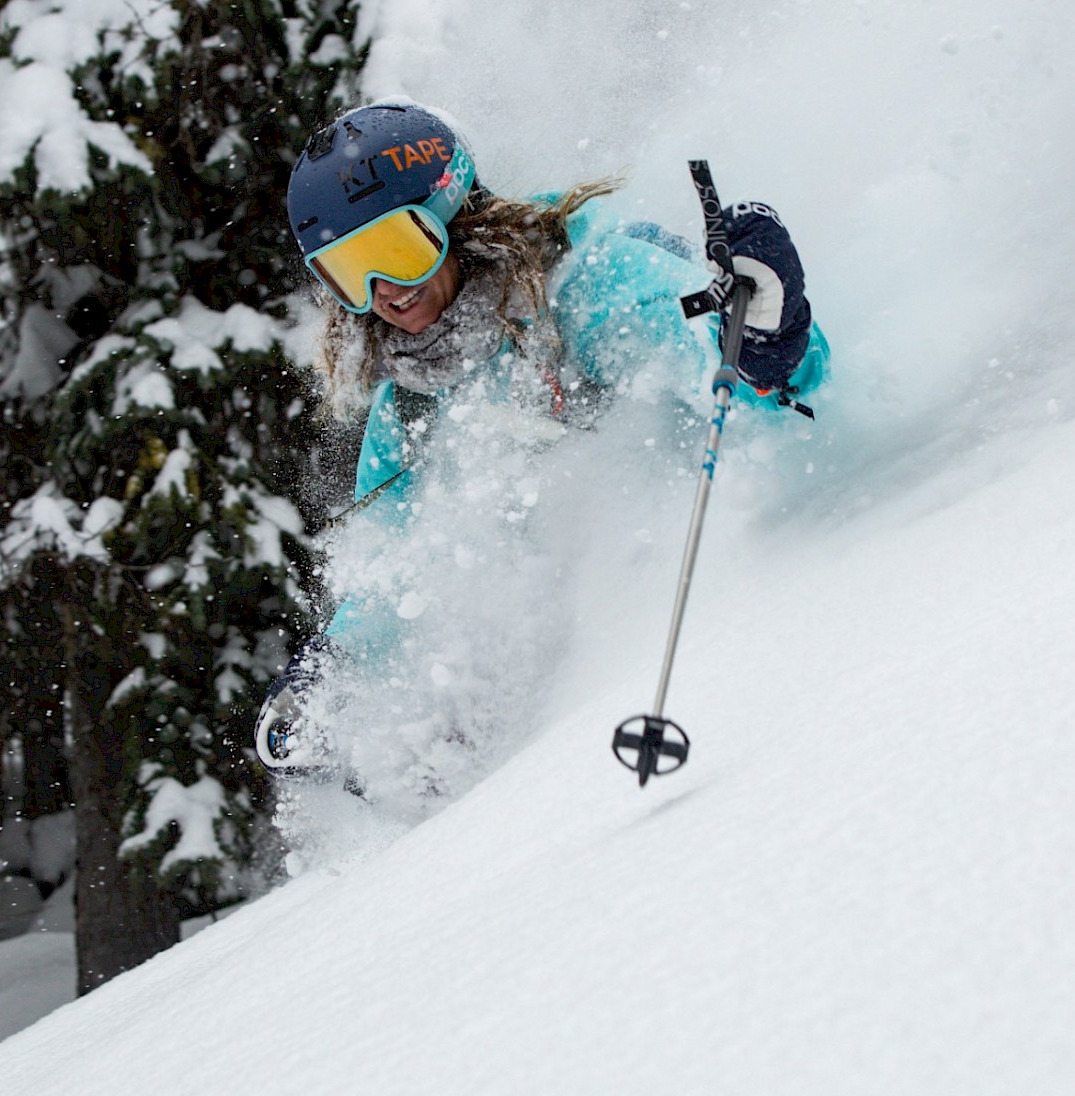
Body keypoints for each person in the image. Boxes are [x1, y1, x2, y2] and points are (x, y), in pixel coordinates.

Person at [255, 100, 828, 779]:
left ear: (456, 216)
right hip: (553, 702)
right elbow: (403, 569)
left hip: (712, 611)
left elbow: (737, 389)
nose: (383, 291)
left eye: (396, 251)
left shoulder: (585, 287)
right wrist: (337, 668)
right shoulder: (406, 410)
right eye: (350, 272)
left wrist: (767, 341)